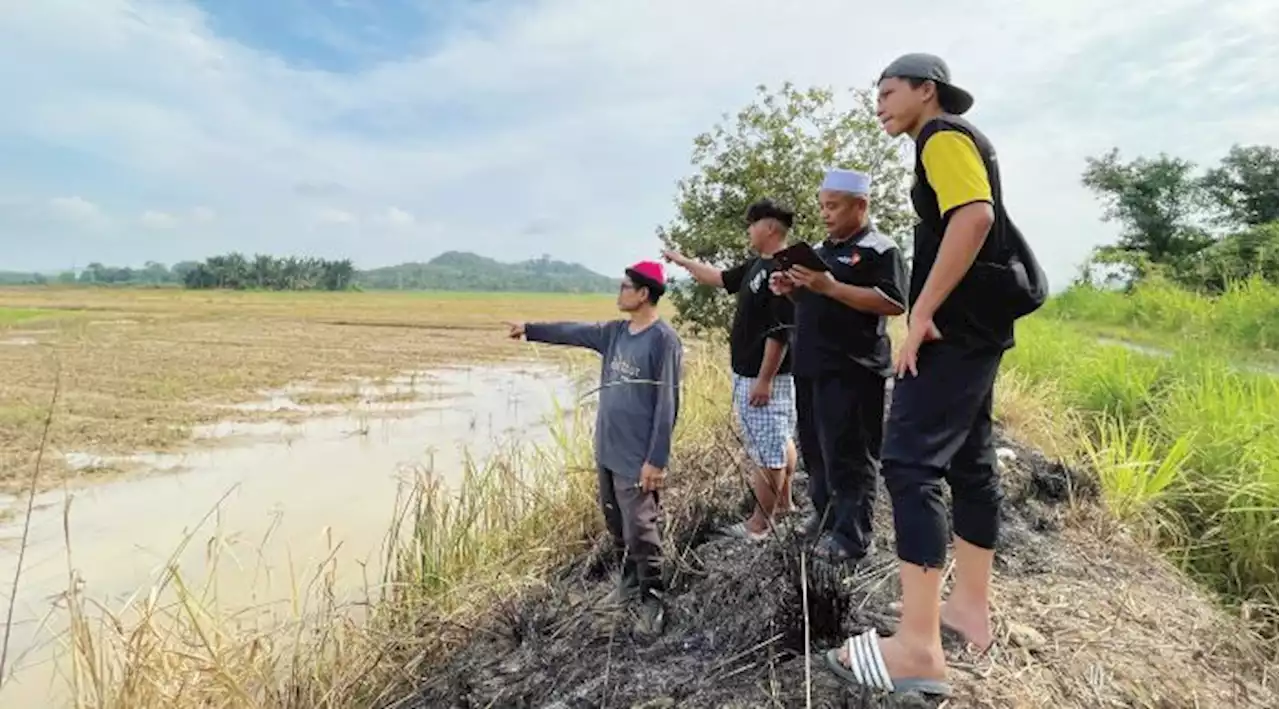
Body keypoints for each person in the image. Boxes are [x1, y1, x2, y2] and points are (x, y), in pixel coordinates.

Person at [823, 53, 1046, 697]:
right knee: (970, 462)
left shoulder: (942, 138)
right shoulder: (953, 142)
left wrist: (920, 311)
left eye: (889, 91)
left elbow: (973, 218)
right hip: (979, 329)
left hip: (954, 331)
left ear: (928, 90)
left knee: (910, 463)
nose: (880, 104)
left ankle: (917, 649)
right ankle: (968, 611)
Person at [504, 260, 683, 638]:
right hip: (607, 448)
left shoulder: (663, 340)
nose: (618, 292)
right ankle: (629, 584)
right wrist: (530, 329)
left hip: (638, 458)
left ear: (643, 293)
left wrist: (657, 460)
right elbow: (574, 331)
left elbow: (667, 404)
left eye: (624, 287)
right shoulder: (616, 333)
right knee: (617, 524)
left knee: (641, 528)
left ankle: (653, 601)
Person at [769, 168, 909, 564]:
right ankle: (825, 515)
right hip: (812, 365)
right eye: (822, 206)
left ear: (860, 205)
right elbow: (816, 301)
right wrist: (794, 290)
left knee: (850, 453)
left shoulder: (880, 249)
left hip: (854, 368)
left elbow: (894, 302)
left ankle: (853, 536)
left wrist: (830, 286)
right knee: (816, 449)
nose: (825, 214)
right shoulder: (821, 250)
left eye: (833, 206)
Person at [662, 199, 799, 541]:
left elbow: (781, 331)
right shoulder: (757, 265)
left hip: (764, 377)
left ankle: (758, 524)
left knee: (767, 451)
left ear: (768, 227)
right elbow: (719, 278)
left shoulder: (784, 269)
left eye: (752, 225)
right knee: (779, 441)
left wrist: (764, 380)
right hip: (753, 374)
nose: (749, 231)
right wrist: (682, 261)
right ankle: (783, 505)